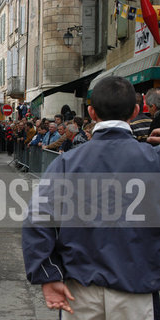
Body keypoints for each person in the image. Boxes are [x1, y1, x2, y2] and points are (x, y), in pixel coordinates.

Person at [23, 76, 160, 319]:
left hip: (81, 288)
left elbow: (38, 218)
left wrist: (47, 274)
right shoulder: (153, 161)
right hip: (138, 288)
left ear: (91, 112)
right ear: (137, 111)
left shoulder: (66, 163)